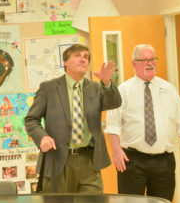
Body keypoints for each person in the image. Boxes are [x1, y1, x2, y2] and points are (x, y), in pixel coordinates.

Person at [105, 44, 180, 203]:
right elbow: (112, 124)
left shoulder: (169, 89)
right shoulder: (122, 91)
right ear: (134, 63)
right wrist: (116, 151)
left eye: (153, 59)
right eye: (144, 60)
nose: (150, 63)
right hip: (132, 162)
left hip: (163, 162)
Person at [25, 44, 121, 193]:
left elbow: (114, 103)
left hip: (89, 161)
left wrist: (107, 83)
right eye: (77, 55)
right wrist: (42, 138)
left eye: (86, 57)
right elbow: (31, 119)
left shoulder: (96, 88)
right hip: (58, 160)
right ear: (65, 61)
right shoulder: (49, 88)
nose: (83, 59)